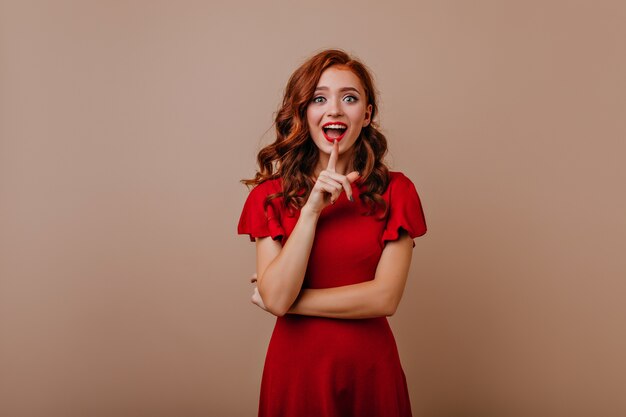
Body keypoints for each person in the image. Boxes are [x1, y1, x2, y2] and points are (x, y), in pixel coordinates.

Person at [237, 49, 427, 417]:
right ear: (303, 113)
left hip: (370, 371)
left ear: (367, 114)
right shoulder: (269, 197)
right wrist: (311, 211)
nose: (335, 110)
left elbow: (385, 298)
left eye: (350, 98)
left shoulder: (398, 192)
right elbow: (275, 297)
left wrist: (290, 302)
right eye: (319, 98)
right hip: (295, 373)